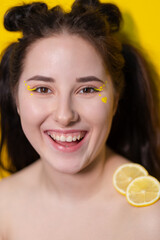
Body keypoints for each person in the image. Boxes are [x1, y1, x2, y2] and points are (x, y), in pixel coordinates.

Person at [0, 0, 160, 239]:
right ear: (16, 99)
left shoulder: (153, 217)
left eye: (87, 90)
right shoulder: (4, 206)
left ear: (116, 99)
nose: (64, 116)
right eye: (43, 90)